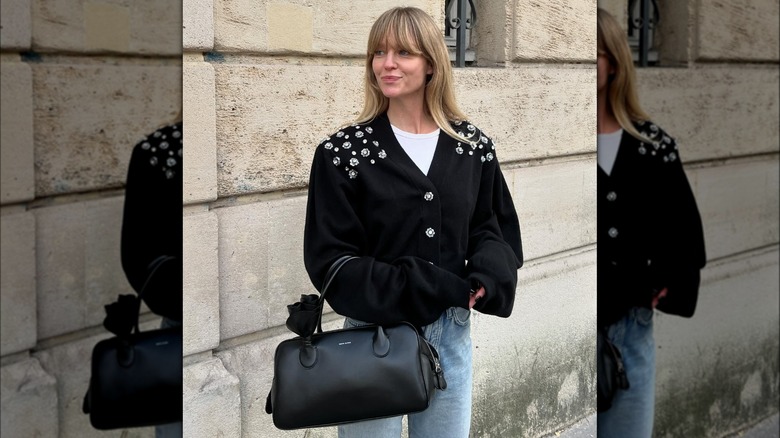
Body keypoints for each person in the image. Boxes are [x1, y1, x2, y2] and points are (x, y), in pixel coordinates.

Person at [302, 6, 523, 438]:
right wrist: (424, 284)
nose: (387, 63)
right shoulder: (342, 154)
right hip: (371, 339)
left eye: (403, 52)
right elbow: (331, 259)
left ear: (431, 64)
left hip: (451, 333)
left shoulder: (471, 147)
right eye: (378, 52)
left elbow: (491, 227)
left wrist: (484, 277)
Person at [596, 8, 706, 438]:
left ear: (615, 62)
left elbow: (684, 229)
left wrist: (664, 284)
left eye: (596, 56)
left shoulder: (652, 146)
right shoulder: (566, 146)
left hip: (630, 325)